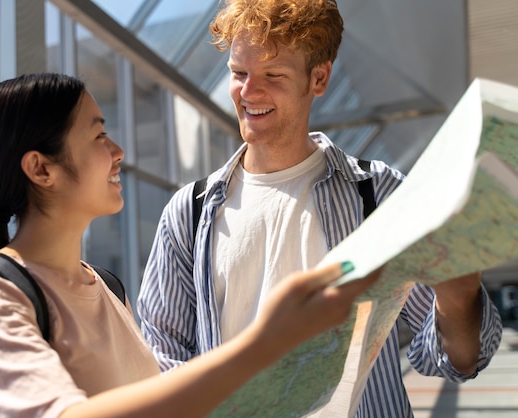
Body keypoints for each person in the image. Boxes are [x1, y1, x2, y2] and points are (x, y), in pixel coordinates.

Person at [0, 73, 379, 418]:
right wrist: (265, 343)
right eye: (99, 135)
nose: (118, 152)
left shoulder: (104, 287)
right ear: (42, 169)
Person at [137, 1, 503, 417]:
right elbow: (162, 356)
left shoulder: (378, 194)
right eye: (239, 73)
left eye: (273, 75)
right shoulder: (190, 212)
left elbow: (458, 360)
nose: (248, 91)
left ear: (320, 78)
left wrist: (458, 299)